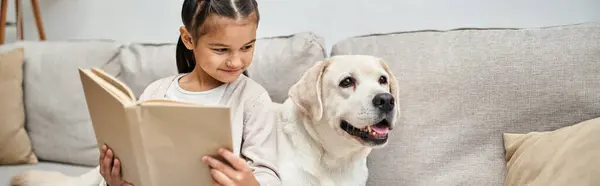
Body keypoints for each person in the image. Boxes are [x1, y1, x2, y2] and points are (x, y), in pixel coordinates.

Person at [98, 0, 280, 185]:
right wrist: (117, 181)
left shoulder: (253, 99)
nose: (236, 62)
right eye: (221, 49)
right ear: (188, 39)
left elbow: (268, 176)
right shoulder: (156, 92)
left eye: (247, 47)